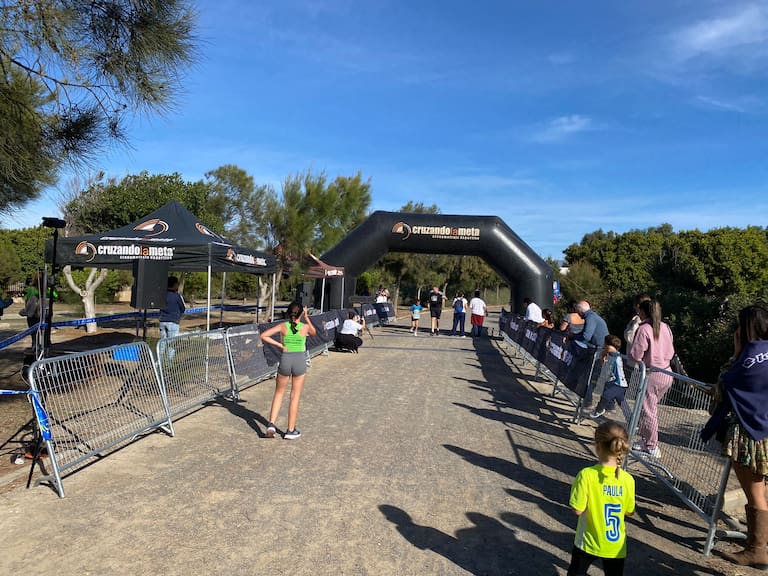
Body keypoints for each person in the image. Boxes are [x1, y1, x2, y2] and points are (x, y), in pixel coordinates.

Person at [700, 306, 768, 569]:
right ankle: (757, 544)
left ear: (747, 328)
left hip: (749, 434)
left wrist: (737, 352)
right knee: (761, 490)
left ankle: (757, 550)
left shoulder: (749, 358)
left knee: (755, 493)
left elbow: (724, 385)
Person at [568, 421, 635, 576]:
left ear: (597, 446)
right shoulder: (628, 479)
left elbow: (577, 510)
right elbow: (629, 511)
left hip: (588, 541)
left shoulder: (586, 475)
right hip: (615, 545)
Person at [260, 302, 317, 440]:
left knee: (279, 393)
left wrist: (280, 345)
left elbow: (264, 335)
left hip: (285, 359)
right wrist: (306, 317)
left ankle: (271, 425)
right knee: (294, 396)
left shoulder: (283, 326)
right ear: (301, 313)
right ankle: (290, 430)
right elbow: (314, 333)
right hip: (299, 361)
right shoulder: (305, 327)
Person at [628, 299, 675, 458]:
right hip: (667, 372)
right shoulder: (665, 327)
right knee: (650, 409)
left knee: (648, 410)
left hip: (652, 374)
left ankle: (652, 445)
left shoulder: (644, 329)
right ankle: (646, 440)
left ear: (643, 312)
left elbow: (636, 354)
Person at [590, 335, 629, 419]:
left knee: (605, 396)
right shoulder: (609, 354)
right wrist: (604, 355)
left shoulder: (616, 355)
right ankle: (631, 418)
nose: (603, 345)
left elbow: (610, 349)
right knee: (622, 403)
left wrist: (605, 352)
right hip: (611, 383)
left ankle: (599, 410)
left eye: (605, 344)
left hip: (619, 384)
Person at [19, 274, 42, 349]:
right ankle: (45, 345)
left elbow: (25, 295)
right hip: (44, 313)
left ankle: (35, 345)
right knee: (44, 331)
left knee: (33, 331)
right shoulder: (47, 290)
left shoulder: (30, 290)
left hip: (33, 313)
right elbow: (55, 295)